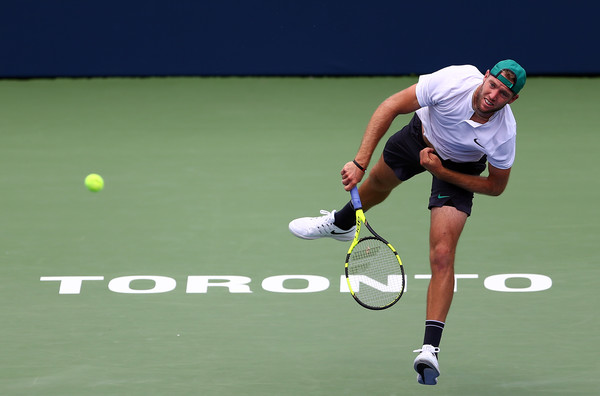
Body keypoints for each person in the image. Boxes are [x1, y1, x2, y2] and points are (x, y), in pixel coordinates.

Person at [288, 60, 526, 385]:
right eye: (494, 84)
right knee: (376, 184)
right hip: (419, 137)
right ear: (486, 77)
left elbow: (496, 186)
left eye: (504, 93)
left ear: (511, 100)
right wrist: (359, 161)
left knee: (442, 256)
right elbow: (391, 106)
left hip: (459, 170)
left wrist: (442, 172)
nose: (494, 95)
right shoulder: (452, 81)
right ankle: (341, 222)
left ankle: (429, 350)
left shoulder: (503, 134)